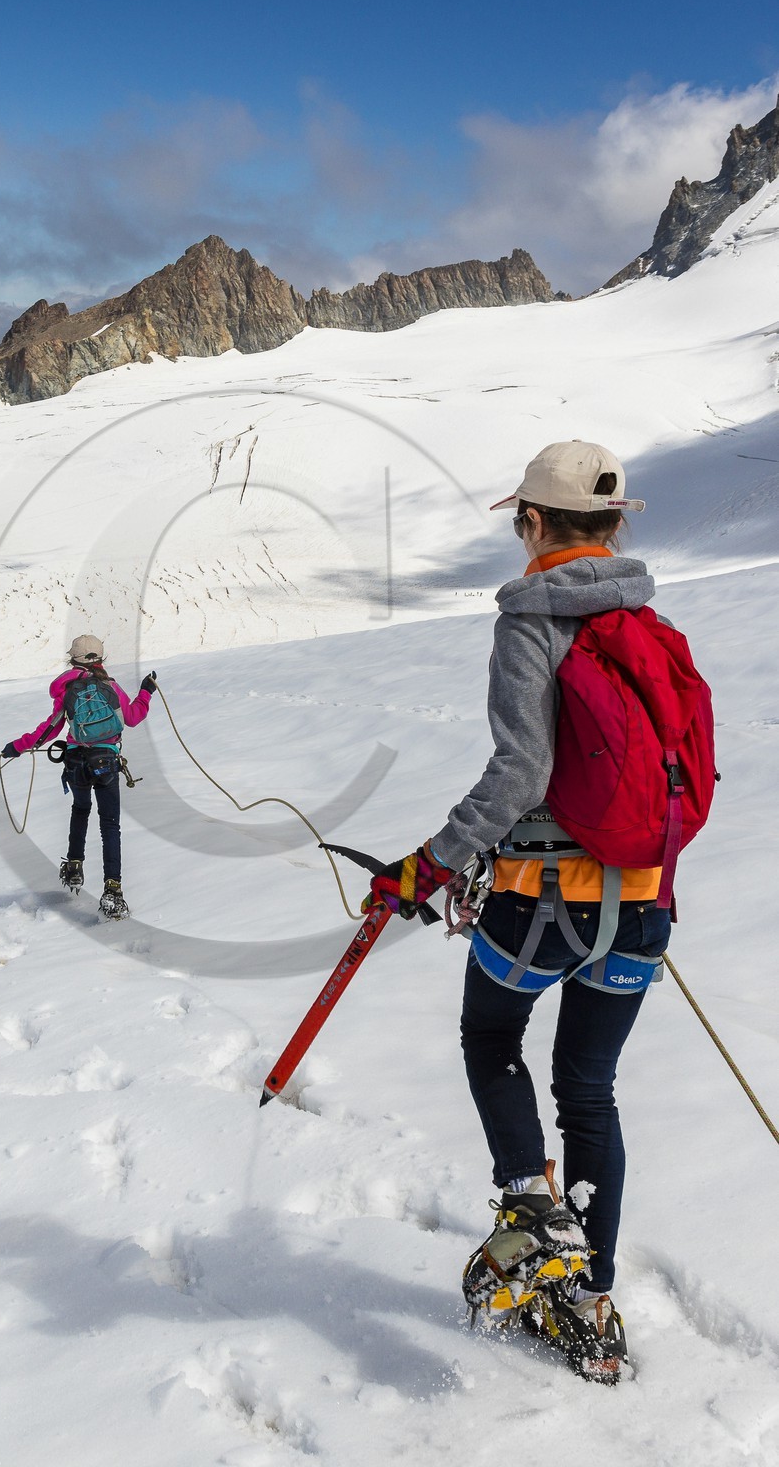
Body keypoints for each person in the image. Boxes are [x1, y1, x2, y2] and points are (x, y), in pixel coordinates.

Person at [369, 441, 676, 1384]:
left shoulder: (531, 623)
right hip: (642, 904)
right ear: (616, 525)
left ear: (534, 524)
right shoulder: (649, 625)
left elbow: (520, 775)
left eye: (520, 520)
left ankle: (531, 1204)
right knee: (589, 1090)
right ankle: (590, 1299)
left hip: (539, 906)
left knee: (490, 1038)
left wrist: (431, 865)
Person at [0, 634, 154, 919]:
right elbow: (132, 717)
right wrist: (146, 692)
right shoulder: (111, 687)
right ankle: (113, 892)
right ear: (101, 658)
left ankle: (74, 865)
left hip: (75, 762)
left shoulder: (67, 690)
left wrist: (17, 747)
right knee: (110, 826)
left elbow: (49, 730)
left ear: (73, 660)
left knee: (80, 809)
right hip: (106, 761)